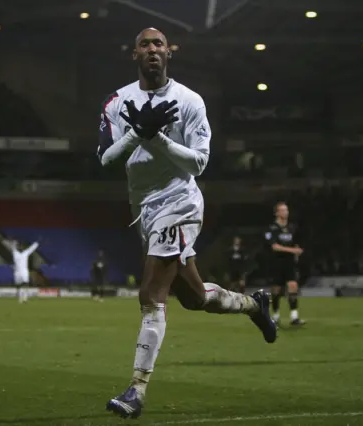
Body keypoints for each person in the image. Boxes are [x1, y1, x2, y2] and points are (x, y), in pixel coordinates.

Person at [97, 27, 276, 419]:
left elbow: (199, 162)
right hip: (144, 208)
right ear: (134, 54)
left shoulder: (189, 100)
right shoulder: (118, 100)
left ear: (169, 53)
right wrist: (137, 135)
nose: (152, 50)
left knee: (151, 295)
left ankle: (137, 390)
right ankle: (253, 305)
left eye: (158, 44)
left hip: (179, 202)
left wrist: (157, 138)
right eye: (144, 44)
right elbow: (106, 159)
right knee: (194, 298)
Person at [264, 201, 305, 326]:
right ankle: (275, 317)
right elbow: (275, 247)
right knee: (276, 291)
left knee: (293, 286)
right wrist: (293, 251)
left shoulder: (292, 228)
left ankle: (294, 317)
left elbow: (296, 243)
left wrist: (297, 250)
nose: (285, 212)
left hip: (289, 263)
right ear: (277, 213)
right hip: (276, 263)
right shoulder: (272, 229)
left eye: (286, 210)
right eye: (282, 210)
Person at [3, 239, 39, 303]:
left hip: (21, 272)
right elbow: (12, 247)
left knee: (23, 284)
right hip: (20, 272)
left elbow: (31, 249)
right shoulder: (17, 252)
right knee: (21, 285)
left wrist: (36, 243)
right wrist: (6, 242)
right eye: (20, 246)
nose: (21, 248)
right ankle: (21, 298)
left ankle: (23, 299)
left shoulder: (20, 253)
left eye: (21, 247)